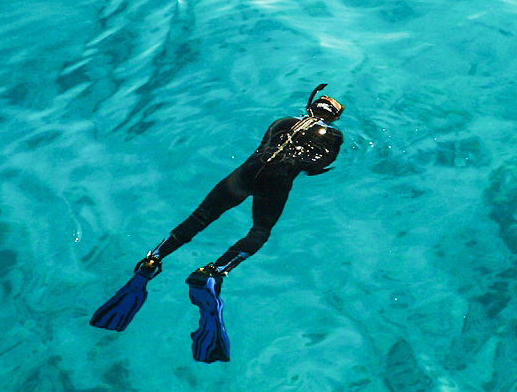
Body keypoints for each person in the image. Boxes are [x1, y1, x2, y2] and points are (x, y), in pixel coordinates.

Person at [89, 85, 345, 358]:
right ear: (333, 119)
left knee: (200, 217)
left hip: (247, 172)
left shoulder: (283, 122)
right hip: (278, 182)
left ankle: (153, 260)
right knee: (260, 230)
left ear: (309, 108)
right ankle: (213, 272)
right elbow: (316, 166)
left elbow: (264, 147)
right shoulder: (333, 136)